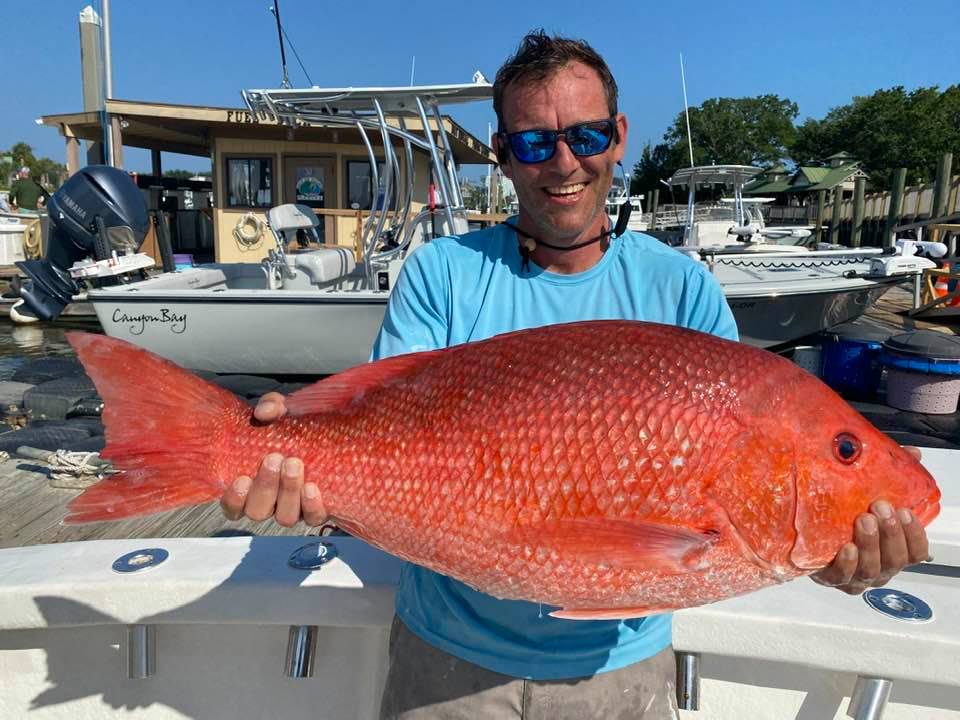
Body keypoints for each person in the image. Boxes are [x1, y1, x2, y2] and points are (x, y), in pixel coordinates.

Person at [221, 30, 930, 719]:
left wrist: (839, 562)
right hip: (445, 661)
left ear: (618, 135)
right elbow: (367, 424)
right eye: (534, 143)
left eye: (585, 136)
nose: (563, 163)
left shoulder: (682, 291)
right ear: (501, 155)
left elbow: (730, 540)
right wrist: (293, 466)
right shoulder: (442, 274)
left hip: (620, 673)